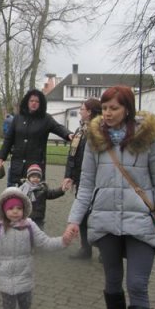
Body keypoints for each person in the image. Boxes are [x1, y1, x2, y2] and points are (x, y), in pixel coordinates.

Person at [64, 86, 155, 309]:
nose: (108, 113)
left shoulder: (149, 139)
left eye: (114, 108)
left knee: (137, 285)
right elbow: (86, 186)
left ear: (128, 108)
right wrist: (73, 221)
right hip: (106, 222)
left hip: (141, 224)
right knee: (113, 283)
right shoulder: (94, 139)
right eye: (104, 108)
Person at [0, 187, 72, 309]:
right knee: (8, 306)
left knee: (25, 301)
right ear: (3, 209)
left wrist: (63, 241)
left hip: (24, 273)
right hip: (4, 274)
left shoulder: (30, 226)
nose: (15, 212)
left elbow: (45, 243)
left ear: (24, 209)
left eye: (18, 208)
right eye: (10, 208)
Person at [0, 89, 73, 186]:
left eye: (37, 101)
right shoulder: (17, 118)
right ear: (27, 102)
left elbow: (58, 128)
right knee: (13, 197)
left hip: (35, 167)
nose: (34, 103)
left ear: (41, 103)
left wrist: (69, 134)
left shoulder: (46, 119)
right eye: (31, 101)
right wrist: (1, 157)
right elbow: (8, 139)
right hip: (17, 165)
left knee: (34, 198)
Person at [62, 98, 102, 259]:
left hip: (99, 181)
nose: (80, 111)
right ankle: (86, 249)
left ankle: (105, 251)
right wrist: (69, 175)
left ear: (90, 111)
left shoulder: (99, 131)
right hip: (82, 179)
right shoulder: (80, 130)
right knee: (83, 215)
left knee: (99, 216)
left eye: (82, 108)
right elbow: (73, 155)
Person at [18, 163, 65, 230]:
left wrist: (61, 190)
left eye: (38, 177)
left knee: (39, 236)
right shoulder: (23, 189)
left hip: (38, 218)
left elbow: (52, 193)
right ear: (28, 177)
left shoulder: (43, 188)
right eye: (33, 177)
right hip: (26, 218)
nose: (36, 179)